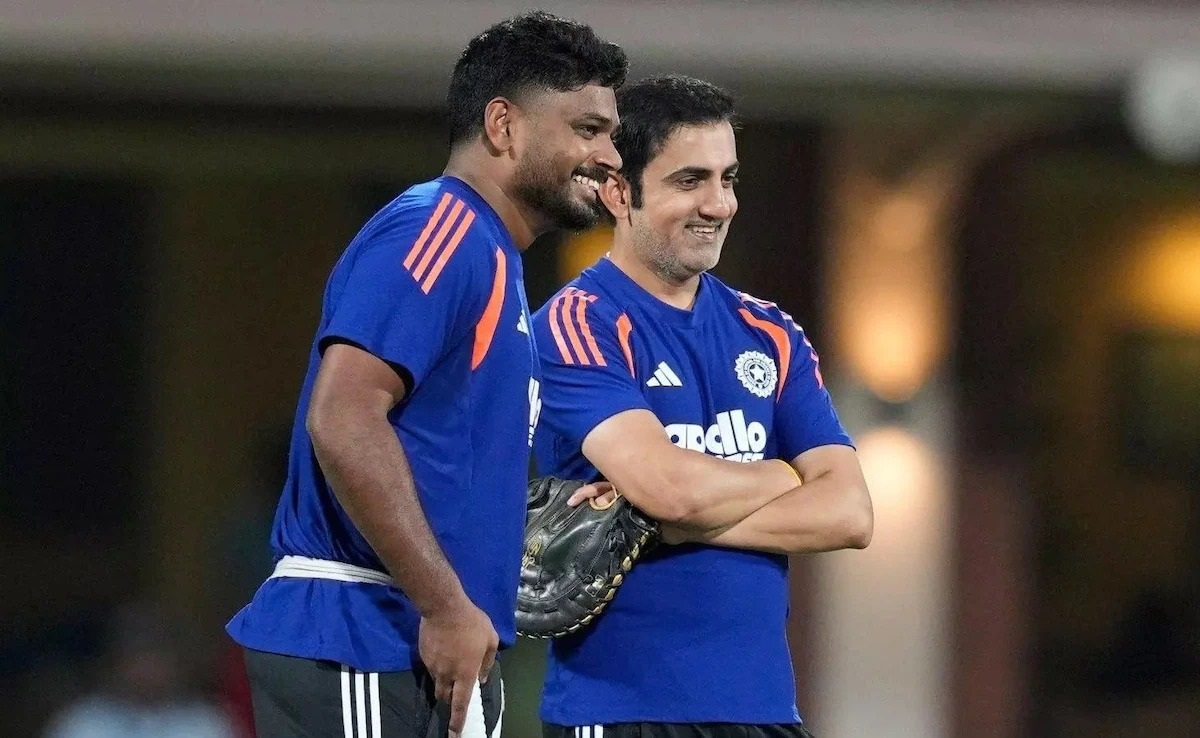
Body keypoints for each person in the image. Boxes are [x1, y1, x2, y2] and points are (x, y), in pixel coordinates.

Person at [226, 12, 626, 738]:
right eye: (588, 129)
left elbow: (438, 459)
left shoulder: (493, 257)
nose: (609, 156)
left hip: (425, 643)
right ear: (503, 126)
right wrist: (444, 605)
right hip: (365, 635)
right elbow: (342, 416)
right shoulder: (439, 228)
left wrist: (526, 516)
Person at [531, 75, 874, 738]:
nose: (718, 205)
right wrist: (783, 475)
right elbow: (669, 489)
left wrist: (666, 527)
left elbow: (851, 513)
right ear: (617, 191)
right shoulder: (578, 323)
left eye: (728, 179)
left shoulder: (770, 332)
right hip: (621, 710)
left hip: (763, 711)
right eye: (690, 181)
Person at [44, 603, 235, 738]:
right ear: (117, 662)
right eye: (136, 658)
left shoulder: (207, 725)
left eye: (155, 658)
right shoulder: (81, 725)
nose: (146, 670)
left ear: (176, 663)